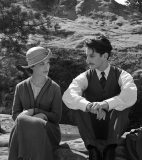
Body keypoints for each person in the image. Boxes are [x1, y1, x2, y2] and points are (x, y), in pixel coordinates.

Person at [62, 34, 137, 160]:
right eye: (87, 56)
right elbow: (68, 95)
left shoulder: (122, 75)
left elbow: (131, 94)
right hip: (92, 127)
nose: (87, 60)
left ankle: (110, 148)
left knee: (123, 104)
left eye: (91, 56)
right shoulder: (85, 76)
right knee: (77, 105)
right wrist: (89, 106)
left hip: (114, 128)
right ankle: (92, 148)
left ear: (105, 56)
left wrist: (106, 104)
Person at [8, 46, 62, 160]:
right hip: (26, 132)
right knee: (22, 120)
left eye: (48, 63)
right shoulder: (21, 87)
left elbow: (56, 118)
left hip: (49, 132)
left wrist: (37, 112)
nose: (46, 66)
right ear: (32, 66)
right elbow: (15, 115)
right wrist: (33, 119)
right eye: (41, 64)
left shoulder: (55, 88)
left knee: (25, 121)